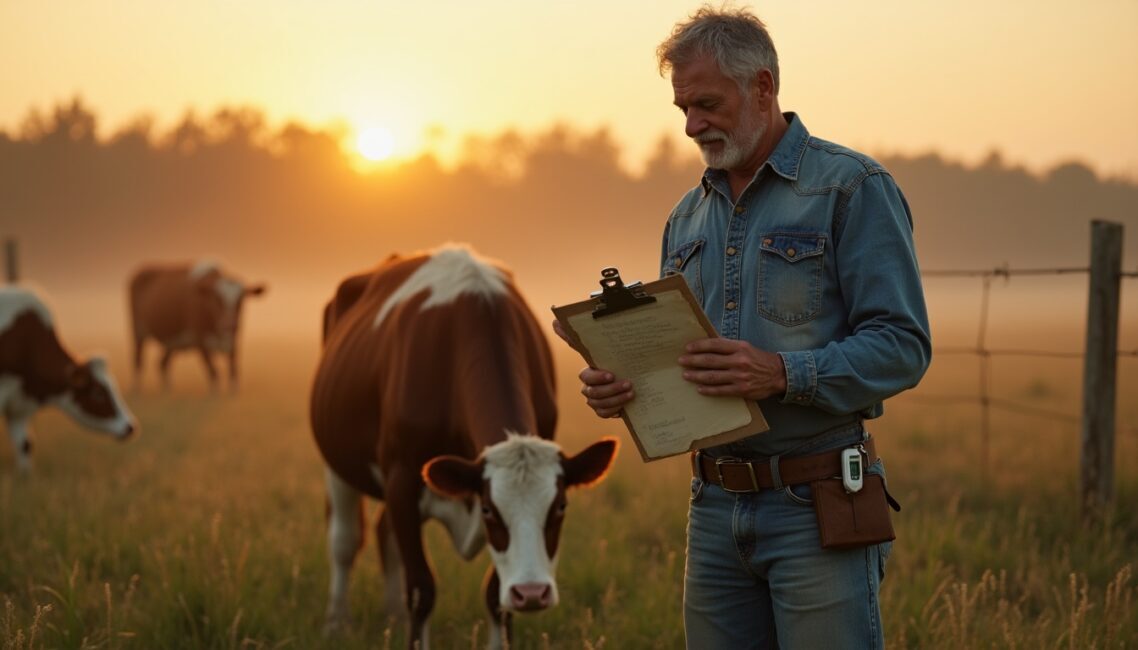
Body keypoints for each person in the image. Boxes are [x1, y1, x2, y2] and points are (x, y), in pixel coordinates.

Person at [555, 5, 932, 649]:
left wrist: (781, 373)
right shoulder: (685, 217)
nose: (691, 125)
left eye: (707, 104)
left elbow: (903, 346)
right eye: (683, 109)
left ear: (762, 87)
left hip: (819, 503)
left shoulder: (851, 187)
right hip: (712, 508)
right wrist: (622, 389)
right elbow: (681, 364)